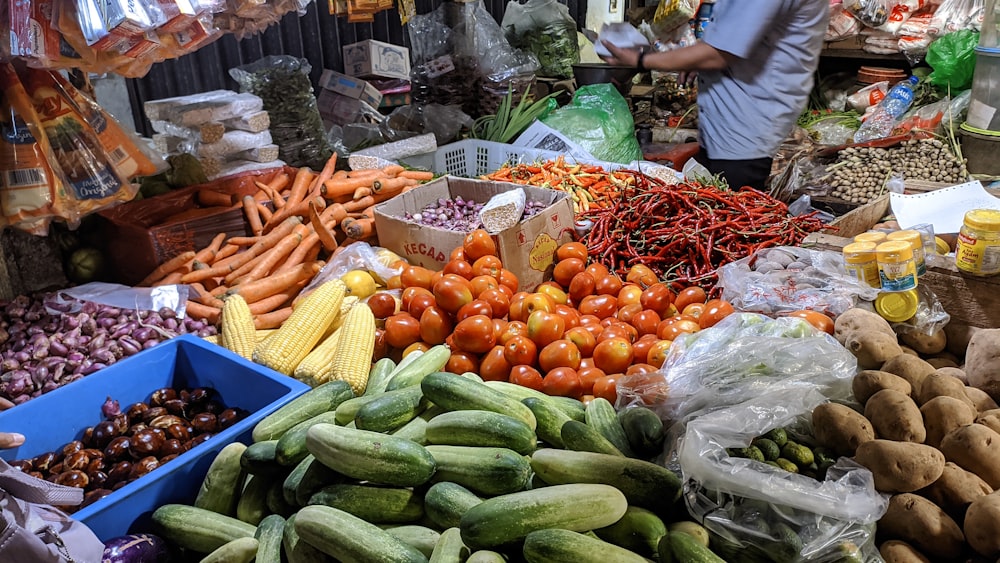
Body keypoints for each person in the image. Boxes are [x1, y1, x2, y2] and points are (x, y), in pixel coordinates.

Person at [602, 1, 830, 190]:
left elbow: (720, 53)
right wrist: (697, 58)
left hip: (743, 132)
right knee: (717, 213)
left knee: (732, 221)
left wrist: (640, 60)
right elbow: (742, 38)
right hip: (737, 127)